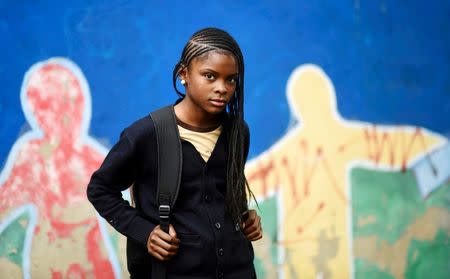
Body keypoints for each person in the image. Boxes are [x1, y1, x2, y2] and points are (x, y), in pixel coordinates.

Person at [87, 27, 262, 279]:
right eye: (210, 76)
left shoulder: (238, 132)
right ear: (184, 74)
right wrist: (144, 231)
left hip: (238, 270)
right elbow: (100, 189)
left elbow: (222, 195)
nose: (222, 87)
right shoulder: (147, 134)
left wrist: (245, 217)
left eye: (231, 79)